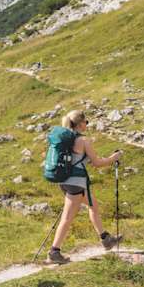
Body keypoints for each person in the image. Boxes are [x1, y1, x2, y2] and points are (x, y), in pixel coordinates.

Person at [47, 110, 122, 264]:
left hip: (66, 181)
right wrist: (113, 158)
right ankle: (54, 252)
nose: (87, 124)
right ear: (80, 123)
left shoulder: (66, 138)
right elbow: (97, 163)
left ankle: (106, 239)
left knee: (93, 205)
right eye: (86, 122)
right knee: (67, 218)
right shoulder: (83, 141)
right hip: (77, 183)